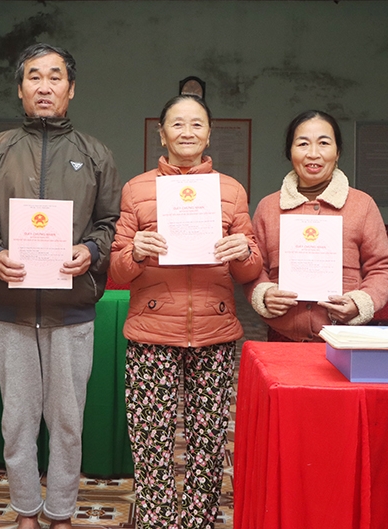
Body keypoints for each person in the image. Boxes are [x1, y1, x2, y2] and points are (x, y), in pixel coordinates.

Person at [0, 43, 120, 529]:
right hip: (11, 308)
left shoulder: (95, 153)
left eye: (55, 77)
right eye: (35, 77)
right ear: (21, 88)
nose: (45, 86)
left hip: (71, 310)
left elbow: (111, 222)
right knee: (18, 422)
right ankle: (28, 510)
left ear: (71, 90)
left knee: (68, 424)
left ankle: (62, 511)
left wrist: (91, 251)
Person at [110, 94, 261, 529]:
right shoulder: (137, 189)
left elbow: (251, 268)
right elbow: (117, 270)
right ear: (162, 133)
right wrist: (134, 251)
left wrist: (243, 250)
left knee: (208, 442)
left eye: (197, 124)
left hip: (215, 332)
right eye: (177, 124)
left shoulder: (230, 190)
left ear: (209, 133)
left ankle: (198, 521)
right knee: (151, 441)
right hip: (151, 331)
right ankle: (156, 521)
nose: (187, 132)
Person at [245, 110, 388, 341]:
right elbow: (254, 269)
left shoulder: (362, 205)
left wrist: (360, 303)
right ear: (290, 151)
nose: (313, 154)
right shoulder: (268, 207)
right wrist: (264, 294)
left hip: (344, 338)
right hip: (283, 338)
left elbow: (383, 269)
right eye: (303, 144)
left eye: (324, 143)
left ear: (337, 152)